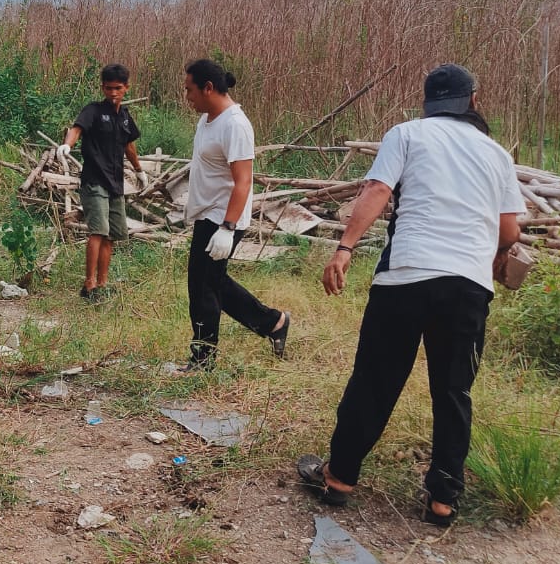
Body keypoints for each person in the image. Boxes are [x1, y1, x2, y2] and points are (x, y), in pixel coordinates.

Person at [297, 63, 523, 528]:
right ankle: (442, 499)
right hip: (467, 286)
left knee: (374, 380)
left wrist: (344, 248)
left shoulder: (407, 134)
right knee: (453, 390)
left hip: (406, 277)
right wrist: (497, 254)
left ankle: (339, 479)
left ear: (428, 104)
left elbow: (378, 189)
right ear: (473, 101)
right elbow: (510, 229)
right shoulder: (497, 154)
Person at [181, 58, 290, 367]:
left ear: (208, 88)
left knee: (204, 289)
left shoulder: (235, 125)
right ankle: (274, 323)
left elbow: (243, 181)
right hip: (208, 213)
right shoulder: (208, 118)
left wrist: (228, 228)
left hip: (223, 217)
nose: (187, 96)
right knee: (211, 283)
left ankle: (203, 359)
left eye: (190, 90)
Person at [57, 63, 146, 299]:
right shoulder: (94, 111)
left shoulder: (125, 117)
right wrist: (68, 144)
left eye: (118, 88)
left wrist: (138, 171)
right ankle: (89, 284)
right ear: (102, 87)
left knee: (112, 235)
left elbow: (129, 145)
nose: (113, 93)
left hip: (115, 182)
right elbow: (77, 129)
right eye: (108, 88)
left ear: (127, 88)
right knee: (98, 231)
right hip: (94, 180)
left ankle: (103, 284)